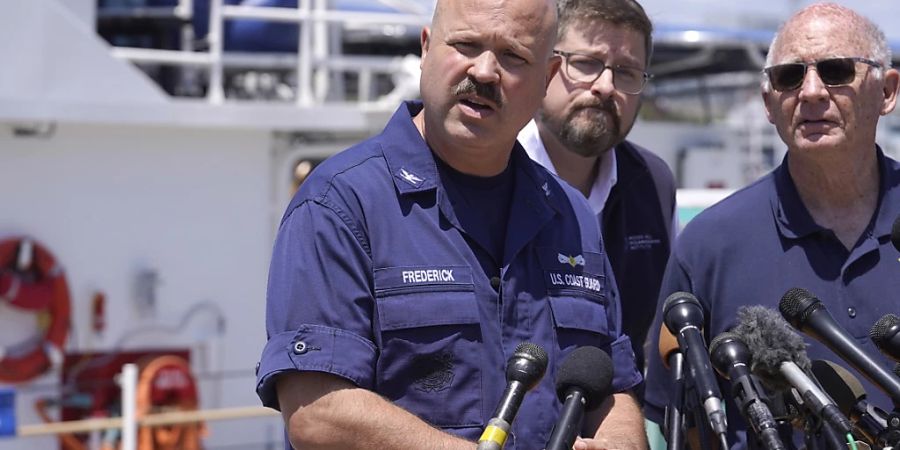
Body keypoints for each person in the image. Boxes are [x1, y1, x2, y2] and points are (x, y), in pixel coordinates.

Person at [255, 0, 648, 449]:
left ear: (546, 77)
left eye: (513, 57)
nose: (484, 71)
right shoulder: (341, 204)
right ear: (426, 49)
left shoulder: (571, 216)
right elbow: (318, 413)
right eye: (465, 44)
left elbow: (612, 387)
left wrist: (621, 441)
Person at [643, 3, 900, 449]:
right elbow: (677, 425)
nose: (812, 92)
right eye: (790, 77)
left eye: (836, 71)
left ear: (888, 91)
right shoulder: (708, 246)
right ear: (768, 102)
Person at [518, 0, 675, 380]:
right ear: (547, 65)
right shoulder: (491, 170)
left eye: (626, 72)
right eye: (586, 63)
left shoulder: (653, 183)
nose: (605, 86)